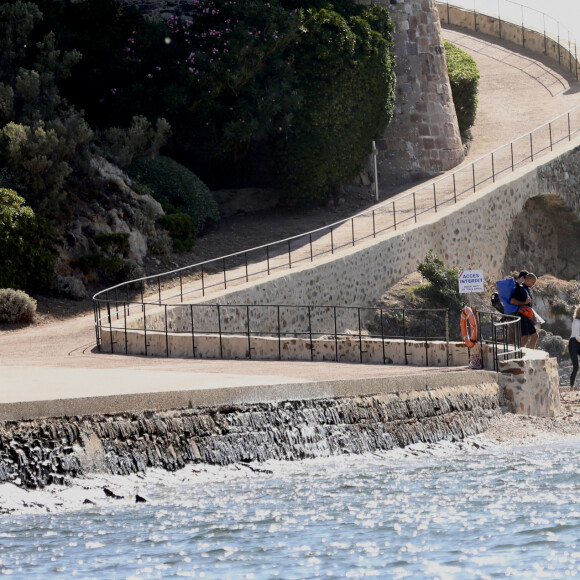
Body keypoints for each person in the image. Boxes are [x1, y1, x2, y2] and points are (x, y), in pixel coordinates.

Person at [510, 272, 538, 349]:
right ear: (528, 280)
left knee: (535, 336)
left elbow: (529, 305)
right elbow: (512, 301)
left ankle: (531, 354)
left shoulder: (528, 290)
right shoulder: (520, 288)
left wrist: (533, 315)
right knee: (524, 337)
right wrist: (524, 302)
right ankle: (520, 354)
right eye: (533, 282)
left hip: (528, 316)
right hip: (521, 315)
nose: (533, 284)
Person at [569, 306, 580, 391]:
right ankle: (571, 387)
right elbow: (577, 336)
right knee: (576, 367)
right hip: (573, 344)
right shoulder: (576, 321)